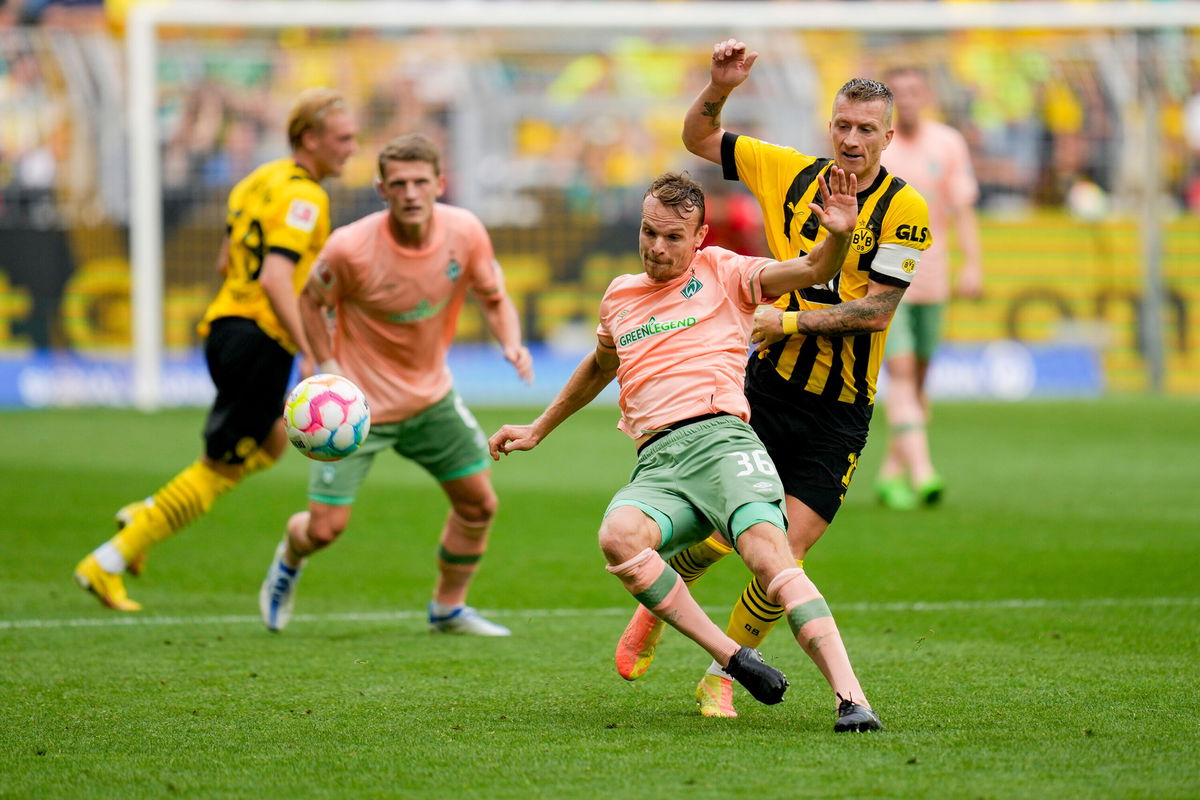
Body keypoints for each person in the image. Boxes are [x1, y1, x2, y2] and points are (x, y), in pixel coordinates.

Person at [489, 170, 883, 733]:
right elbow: (600, 367)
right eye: (650, 232)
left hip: (723, 443)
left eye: (674, 237)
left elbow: (814, 268)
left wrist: (840, 237)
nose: (657, 247)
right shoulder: (618, 297)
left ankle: (852, 700)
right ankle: (734, 657)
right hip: (658, 464)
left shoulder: (726, 272)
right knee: (618, 535)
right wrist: (538, 428)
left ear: (699, 237)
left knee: (772, 558)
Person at [614, 40, 932, 718]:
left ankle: (715, 670)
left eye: (865, 130)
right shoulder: (786, 172)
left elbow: (877, 311)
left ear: (888, 136)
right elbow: (699, 135)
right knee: (745, 532)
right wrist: (719, 86)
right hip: (761, 389)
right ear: (831, 126)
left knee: (788, 544)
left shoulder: (907, 210)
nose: (851, 139)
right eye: (842, 125)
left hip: (840, 407)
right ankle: (705, 651)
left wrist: (785, 323)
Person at [74, 88, 358, 611]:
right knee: (219, 466)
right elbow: (275, 277)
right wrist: (310, 348)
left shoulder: (257, 180)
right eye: (343, 139)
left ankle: (150, 512)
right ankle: (111, 558)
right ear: (310, 138)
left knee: (273, 442)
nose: (352, 148)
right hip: (259, 338)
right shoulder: (306, 198)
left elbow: (226, 261)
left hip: (227, 327)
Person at [258, 133, 533, 637]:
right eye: (399, 183)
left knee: (479, 504)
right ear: (381, 189)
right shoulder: (349, 248)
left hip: (431, 399)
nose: (410, 193)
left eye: (420, 182)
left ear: (439, 184)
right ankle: (290, 558)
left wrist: (511, 342)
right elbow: (308, 301)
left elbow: (493, 296)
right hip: (354, 410)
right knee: (324, 530)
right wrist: (325, 362)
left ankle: (448, 608)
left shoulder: (465, 232)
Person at [874, 66, 984, 510]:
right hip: (885, 277)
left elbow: (961, 210)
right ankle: (922, 472)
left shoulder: (948, 143)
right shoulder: (879, 145)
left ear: (928, 94)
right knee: (900, 373)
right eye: (899, 93)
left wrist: (974, 264)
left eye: (915, 91)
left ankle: (890, 474)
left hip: (934, 275)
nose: (909, 99)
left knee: (918, 381)